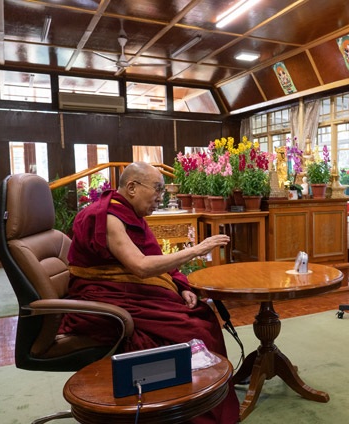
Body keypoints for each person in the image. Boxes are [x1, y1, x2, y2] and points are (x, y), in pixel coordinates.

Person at [59, 162, 240, 424]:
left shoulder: (129, 214)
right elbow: (141, 267)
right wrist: (196, 250)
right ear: (132, 187)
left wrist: (180, 285)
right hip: (105, 298)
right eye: (157, 189)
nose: (161, 197)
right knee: (192, 330)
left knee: (201, 314)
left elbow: (154, 257)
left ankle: (205, 398)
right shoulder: (109, 217)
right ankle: (189, 413)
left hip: (127, 288)